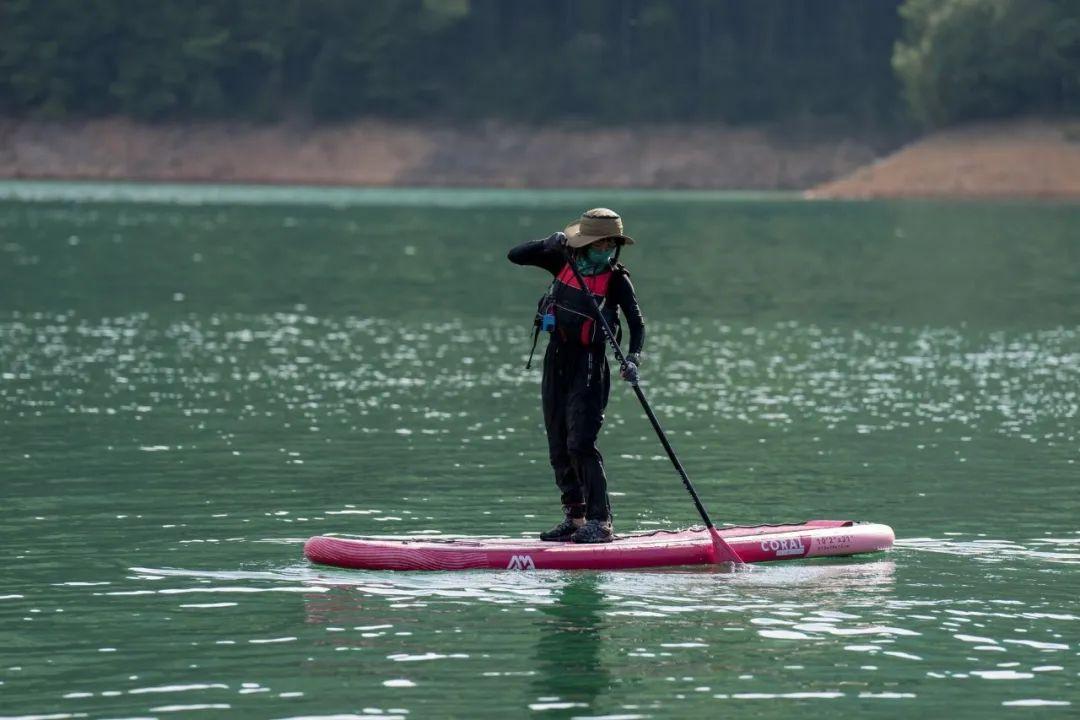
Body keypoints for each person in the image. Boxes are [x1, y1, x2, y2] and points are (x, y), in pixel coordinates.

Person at [507, 208, 645, 543]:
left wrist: (633, 359)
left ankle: (601, 521)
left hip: (589, 365)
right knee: (558, 444)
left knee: (580, 442)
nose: (606, 250)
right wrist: (545, 243)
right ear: (585, 243)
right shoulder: (562, 261)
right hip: (556, 360)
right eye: (600, 243)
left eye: (611, 244)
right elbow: (515, 256)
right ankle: (576, 517)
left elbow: (637, 325)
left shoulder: (616, 279)